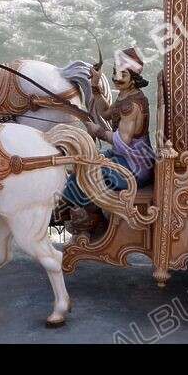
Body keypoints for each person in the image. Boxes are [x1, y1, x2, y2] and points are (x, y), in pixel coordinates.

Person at [61, 47, 153, 235]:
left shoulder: (131, 106)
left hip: (135, 166)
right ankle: (79, 211)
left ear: (134, 78)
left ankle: (93, 220)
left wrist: (99, 132)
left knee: (91, 174)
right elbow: (105, 112)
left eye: (123, 75)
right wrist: (95, 84)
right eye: (114, 73)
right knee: (83, 163)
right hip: (126, 158)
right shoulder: (126, 95)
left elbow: (122, 141)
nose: (117, 78)